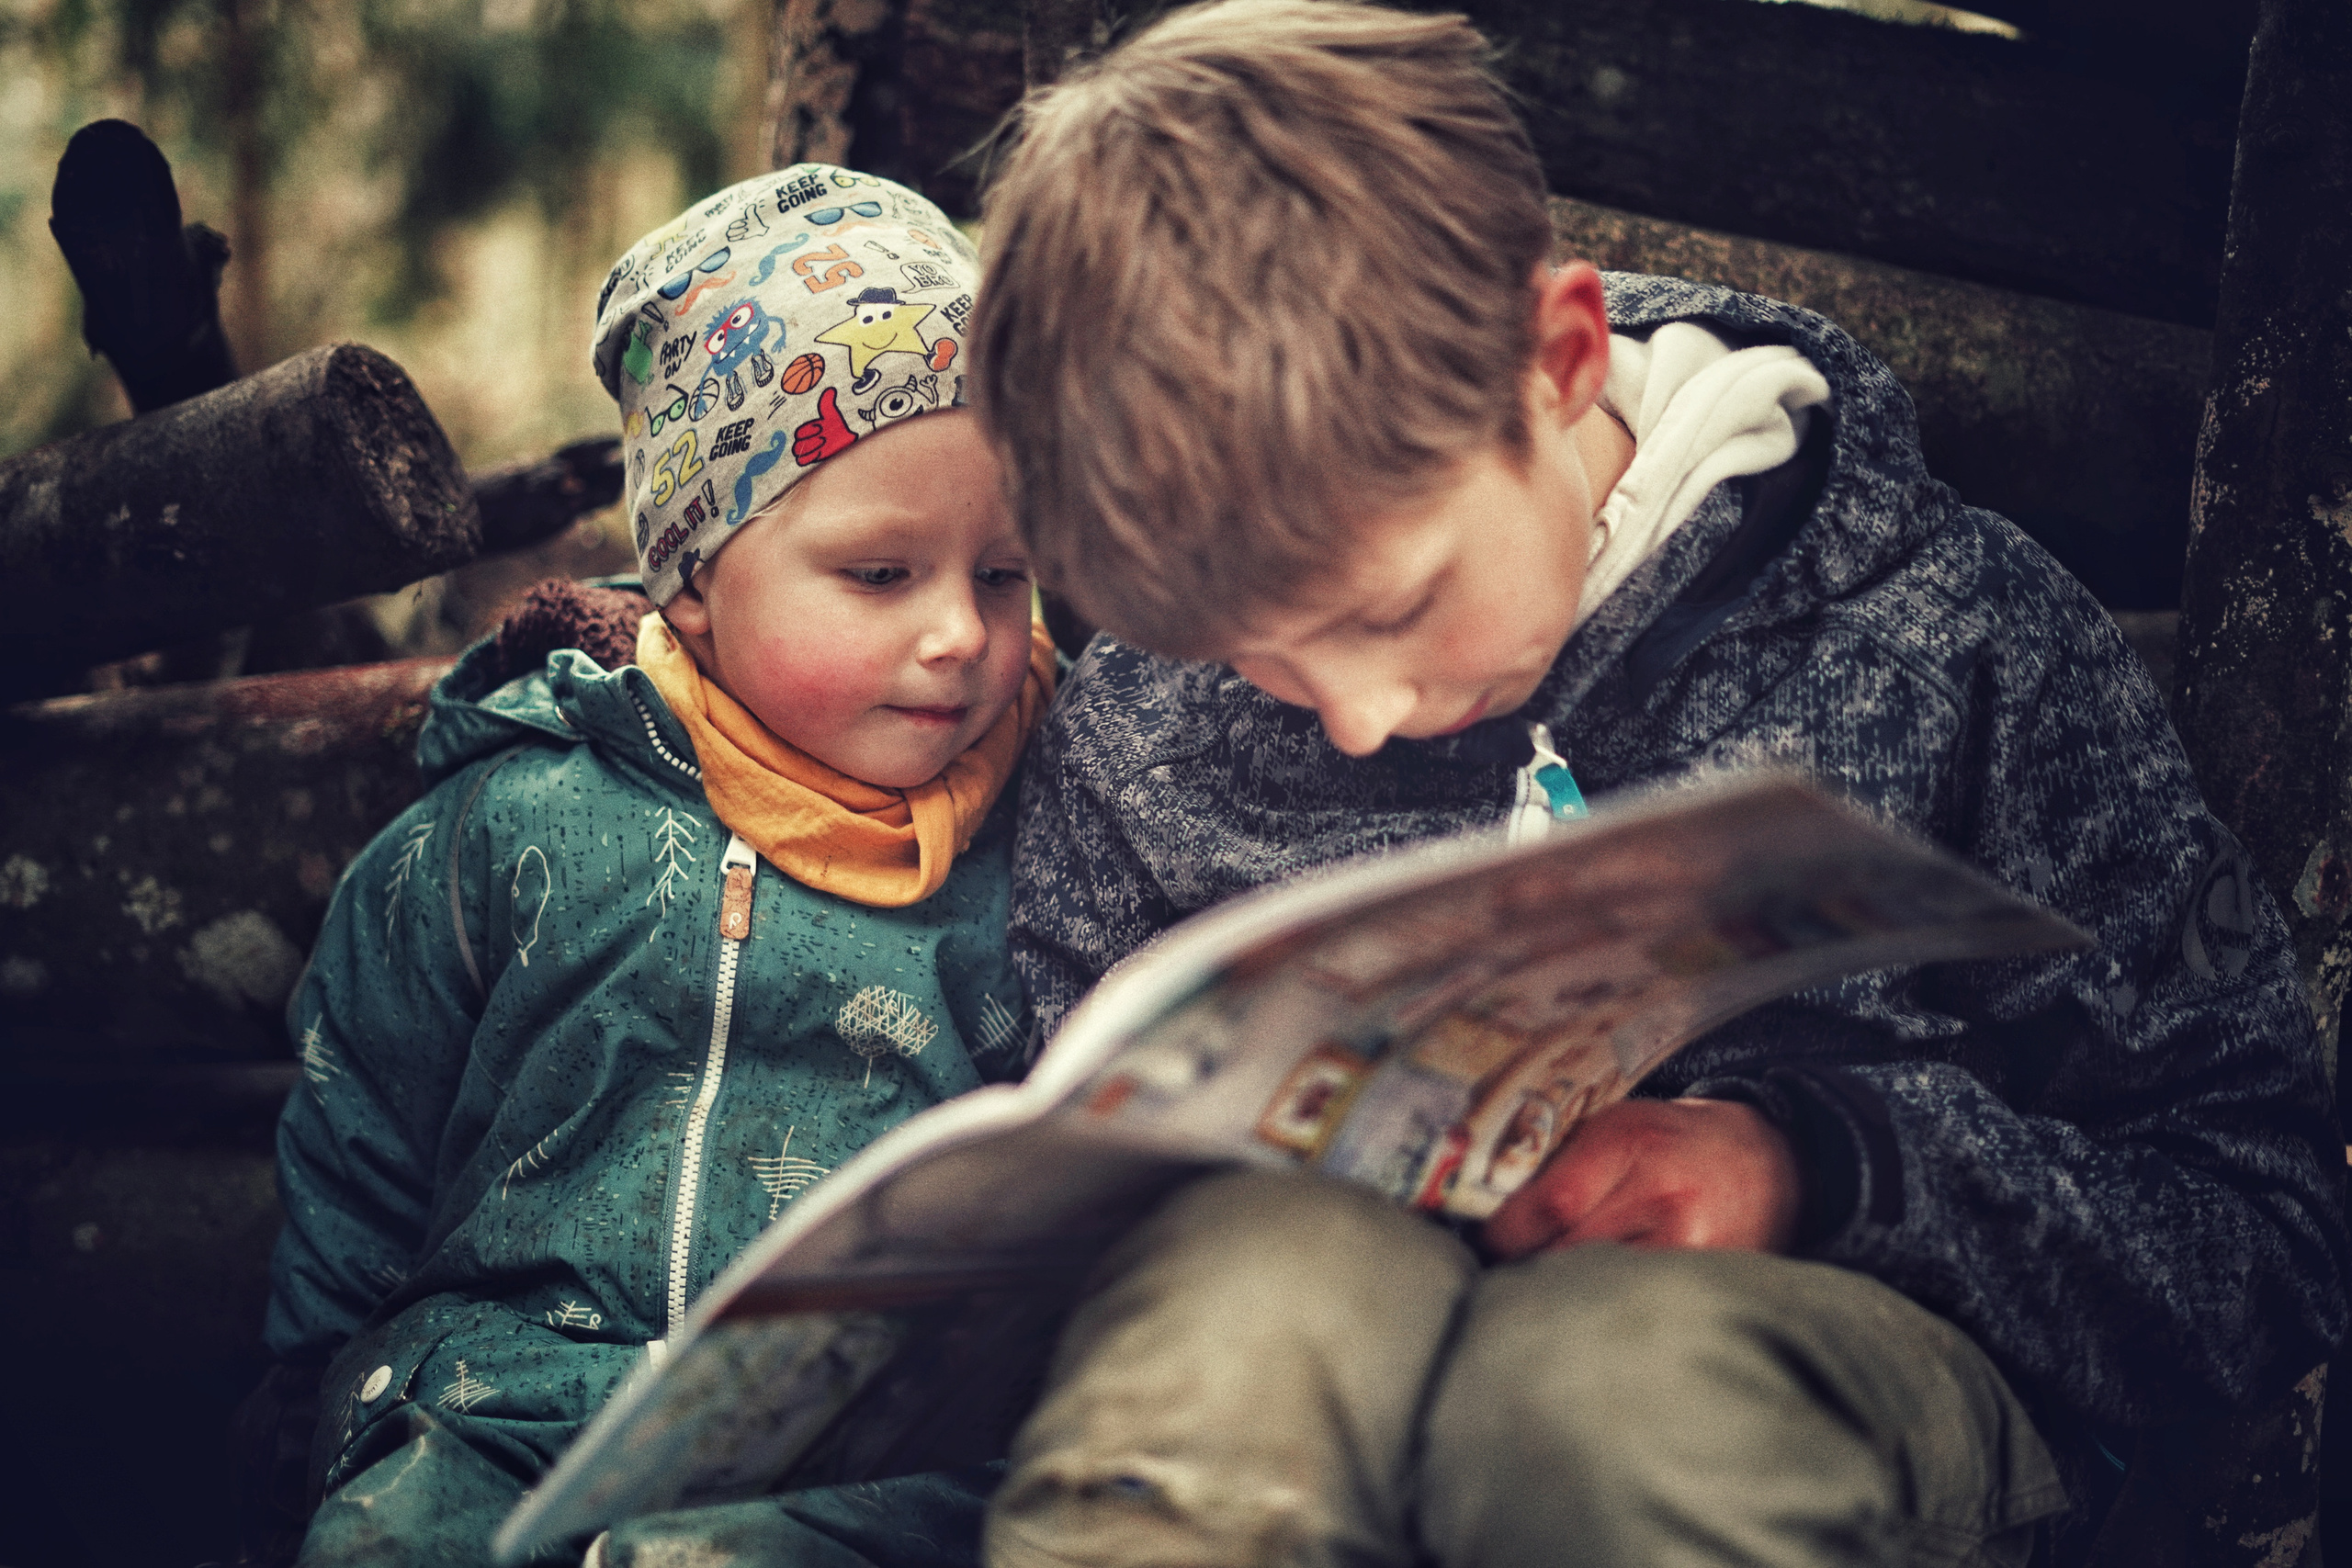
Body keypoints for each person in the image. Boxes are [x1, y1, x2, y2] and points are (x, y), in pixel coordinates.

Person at [967, 3, 2350, 1563]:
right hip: (1310, 1371)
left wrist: (1818, 1166)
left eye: (1394, 607)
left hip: (1803, 1382)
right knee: (1231, 1338)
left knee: (1605, 1399)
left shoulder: (1949, 642)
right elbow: (1048, 1188)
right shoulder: (1139, 723)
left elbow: (2258, 1230)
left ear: (1556, 361)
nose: (1353, 719)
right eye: (1250, 660)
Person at [263, 165, 1051, 1568]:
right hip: (505, 1414)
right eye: (881, 575)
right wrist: (327, 1394)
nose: (959, 634)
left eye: (1003, 574)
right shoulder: (519, 824)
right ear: (694, 578)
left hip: (873, 1451)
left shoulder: (1049, 846)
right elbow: (362, 1113)